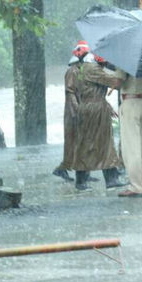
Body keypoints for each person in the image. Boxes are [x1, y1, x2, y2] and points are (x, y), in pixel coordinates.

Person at [70, 53, 124, 191]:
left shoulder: (85, 68)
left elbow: (93, 91)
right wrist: (123, 72)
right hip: (94, 109)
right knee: (99, 143)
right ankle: (87, 181)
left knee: (96, 143)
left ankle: (104, 179)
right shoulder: (92, 69)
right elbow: (115, 82)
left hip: (92, 107)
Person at [113, 67, 142, 197]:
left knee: (131, 147)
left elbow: (117, 81)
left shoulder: (127, 56)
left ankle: (135, 186)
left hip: (131, 101)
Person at [52, 41, 88, 182]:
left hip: (77, 110)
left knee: (80, 142)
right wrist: (77, 111)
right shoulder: (73, 71)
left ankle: (84, 172)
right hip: (73, 113)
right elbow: (70, 92)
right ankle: (62, 168)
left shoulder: (80, 70)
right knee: (73, 143)